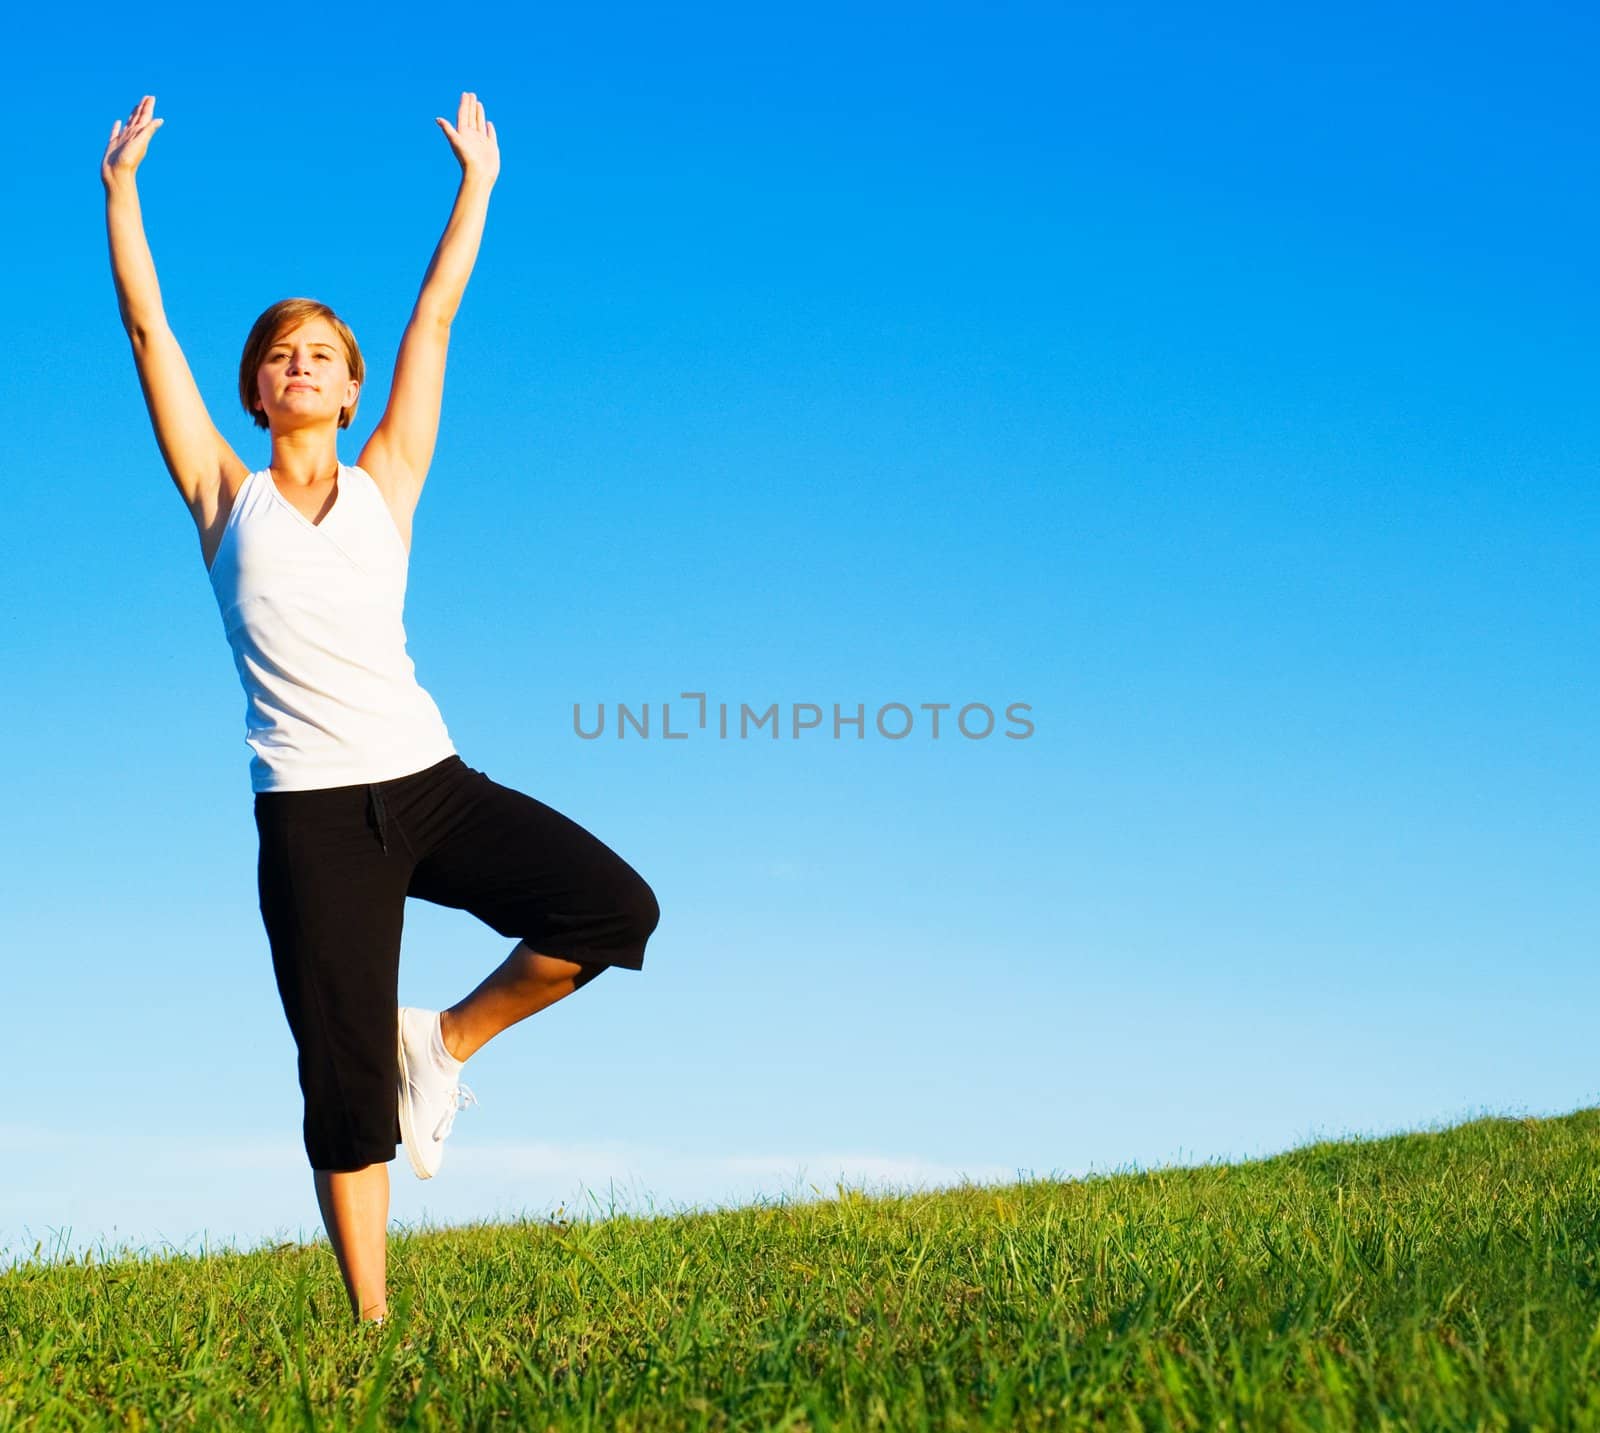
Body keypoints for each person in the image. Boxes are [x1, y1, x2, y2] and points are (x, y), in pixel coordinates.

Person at [101, 92, 661, 1326]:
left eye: (321, 354)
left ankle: (446, 1043)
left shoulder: (389, 478)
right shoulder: (219, 494)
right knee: (340, 1082)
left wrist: (479, 186)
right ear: (254, 389)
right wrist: (120, 191)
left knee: (614, 906)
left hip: (428, 780)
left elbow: (437, 314)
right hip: (306, 814)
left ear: (351, 390)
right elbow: (148, 332)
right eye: (279, 353)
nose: (299, 365)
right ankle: (372, 1330)